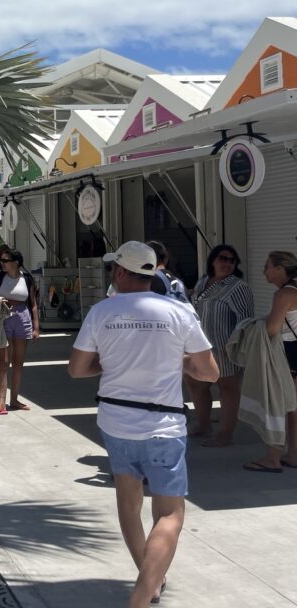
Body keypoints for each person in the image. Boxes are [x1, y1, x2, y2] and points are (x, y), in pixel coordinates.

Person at [69, 241, 218, 608]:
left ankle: (149, 579)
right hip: (163, 424)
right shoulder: (179, 311)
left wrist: (110, 365)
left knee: (128, 500)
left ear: (120, 272)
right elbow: (210, 371)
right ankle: (142, 593)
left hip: (116, 420)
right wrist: (180, 363)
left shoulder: (101, 311)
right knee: (169, 513)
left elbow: (77, 369)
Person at [187, 244, 254, 446]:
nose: (227, 263)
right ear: (213, 261)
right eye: (222, 259)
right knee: (196, 384)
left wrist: (236, 346)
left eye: (231, 260)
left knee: (228, 388)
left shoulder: (239, 287)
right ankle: (204, 424)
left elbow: (246, 320)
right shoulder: (203, 281)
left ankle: (225, 433)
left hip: (225, 348)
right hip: (199, 347)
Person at [242, 250, 297, 472]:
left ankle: (272, 458)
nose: (263, 271)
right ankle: (293, 454)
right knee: (294, 408)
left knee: (275, 404)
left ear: (280, 269)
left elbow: (272, 329)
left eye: (267, 266)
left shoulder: (284, 294)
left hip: (289, 352)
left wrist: (251, 327)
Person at [0, 248, 39, 416]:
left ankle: (14, 399)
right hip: (3, 317)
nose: (2, 263)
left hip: (23, 317)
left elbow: (33, 303)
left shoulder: (27, 279)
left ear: (16, 262)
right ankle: (1, 402)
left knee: (18, 362)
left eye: (5, 260)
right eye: (1, 260)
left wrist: (36, 327)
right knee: (3, 362)